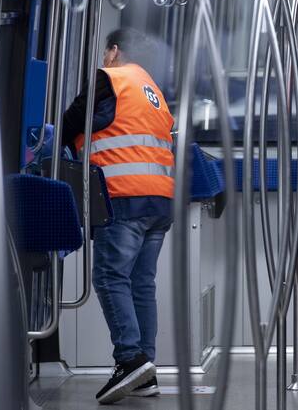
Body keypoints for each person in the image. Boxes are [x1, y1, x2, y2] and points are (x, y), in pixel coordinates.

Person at [61, 27, 174, 404]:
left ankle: (129, 359)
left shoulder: (109, 79)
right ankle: (146, 372)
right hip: (159, 202)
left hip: (123, 197)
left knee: (109, 277)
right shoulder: (153, 92)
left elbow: (70, 122)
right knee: (142, 284)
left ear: (113, 52)